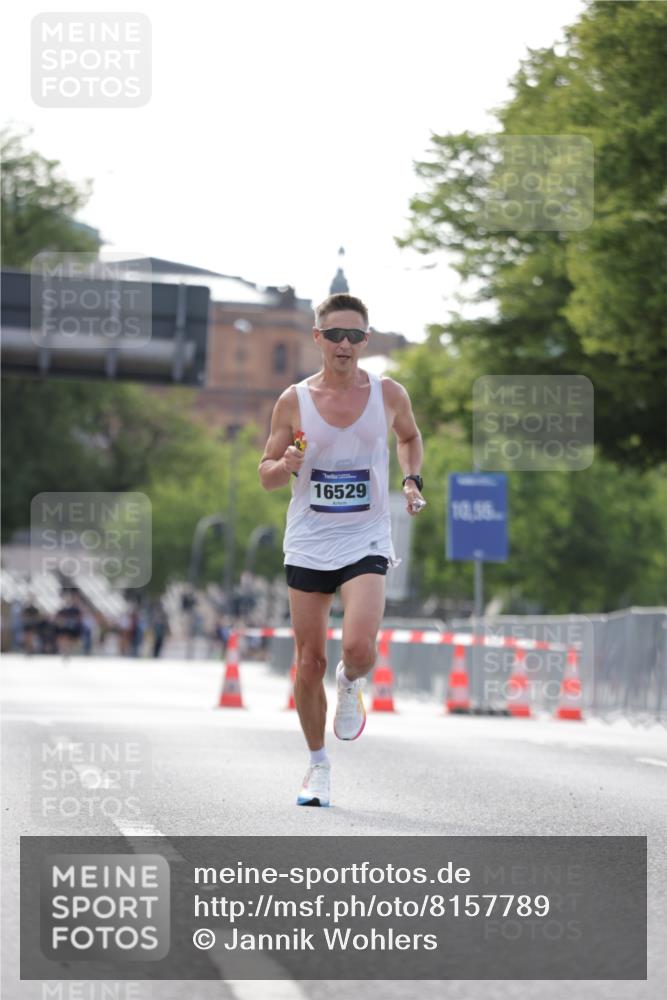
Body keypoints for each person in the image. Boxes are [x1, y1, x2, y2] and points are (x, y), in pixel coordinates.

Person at [258, 292, 426, 807]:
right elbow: (265, 477)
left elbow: (409, 437)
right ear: (318, 339)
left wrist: (412, 480)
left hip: (365, 535)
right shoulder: (294, 401)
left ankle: (351, 683)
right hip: (310, 539)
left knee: (357, 646)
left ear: (366, 341)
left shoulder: (388, 393)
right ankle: (317, 767)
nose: (345, 344)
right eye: (335, 335)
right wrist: (285, 463)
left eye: (355, 335)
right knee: (308, 661)